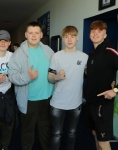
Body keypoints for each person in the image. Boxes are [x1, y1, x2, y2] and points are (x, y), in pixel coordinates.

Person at [8, 21, 54, 150]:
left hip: (47, 98)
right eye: (31, 33)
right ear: (26, 35)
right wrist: (27, 77)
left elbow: (54, 69)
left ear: (41, 35)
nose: (34, 36)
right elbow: (12, 76)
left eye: (36, 33)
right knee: (28, 131)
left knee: (46, 130)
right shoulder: (18, 54)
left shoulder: (48, 51)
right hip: (29, 100)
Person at [48, 26, 88, 150]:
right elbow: (49, 78)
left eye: (72, 36)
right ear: (63, 39)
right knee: (56, 134)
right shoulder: (56, 56)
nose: (69, 39)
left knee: (72, 133)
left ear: (77, 38)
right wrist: (57, 77)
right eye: (66, 37)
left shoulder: (84, 57)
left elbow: (90, 75)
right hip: (58, 103)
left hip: (76, 103)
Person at [84, 20, 118, 150]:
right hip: (91, 102)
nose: (95, 34)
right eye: (93, 31)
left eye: (99, 31)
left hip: (103, 104)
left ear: (105, 35)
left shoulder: (109, 51)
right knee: (95, 134)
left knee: (103, 141)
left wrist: (115, 90)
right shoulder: (92, 53)